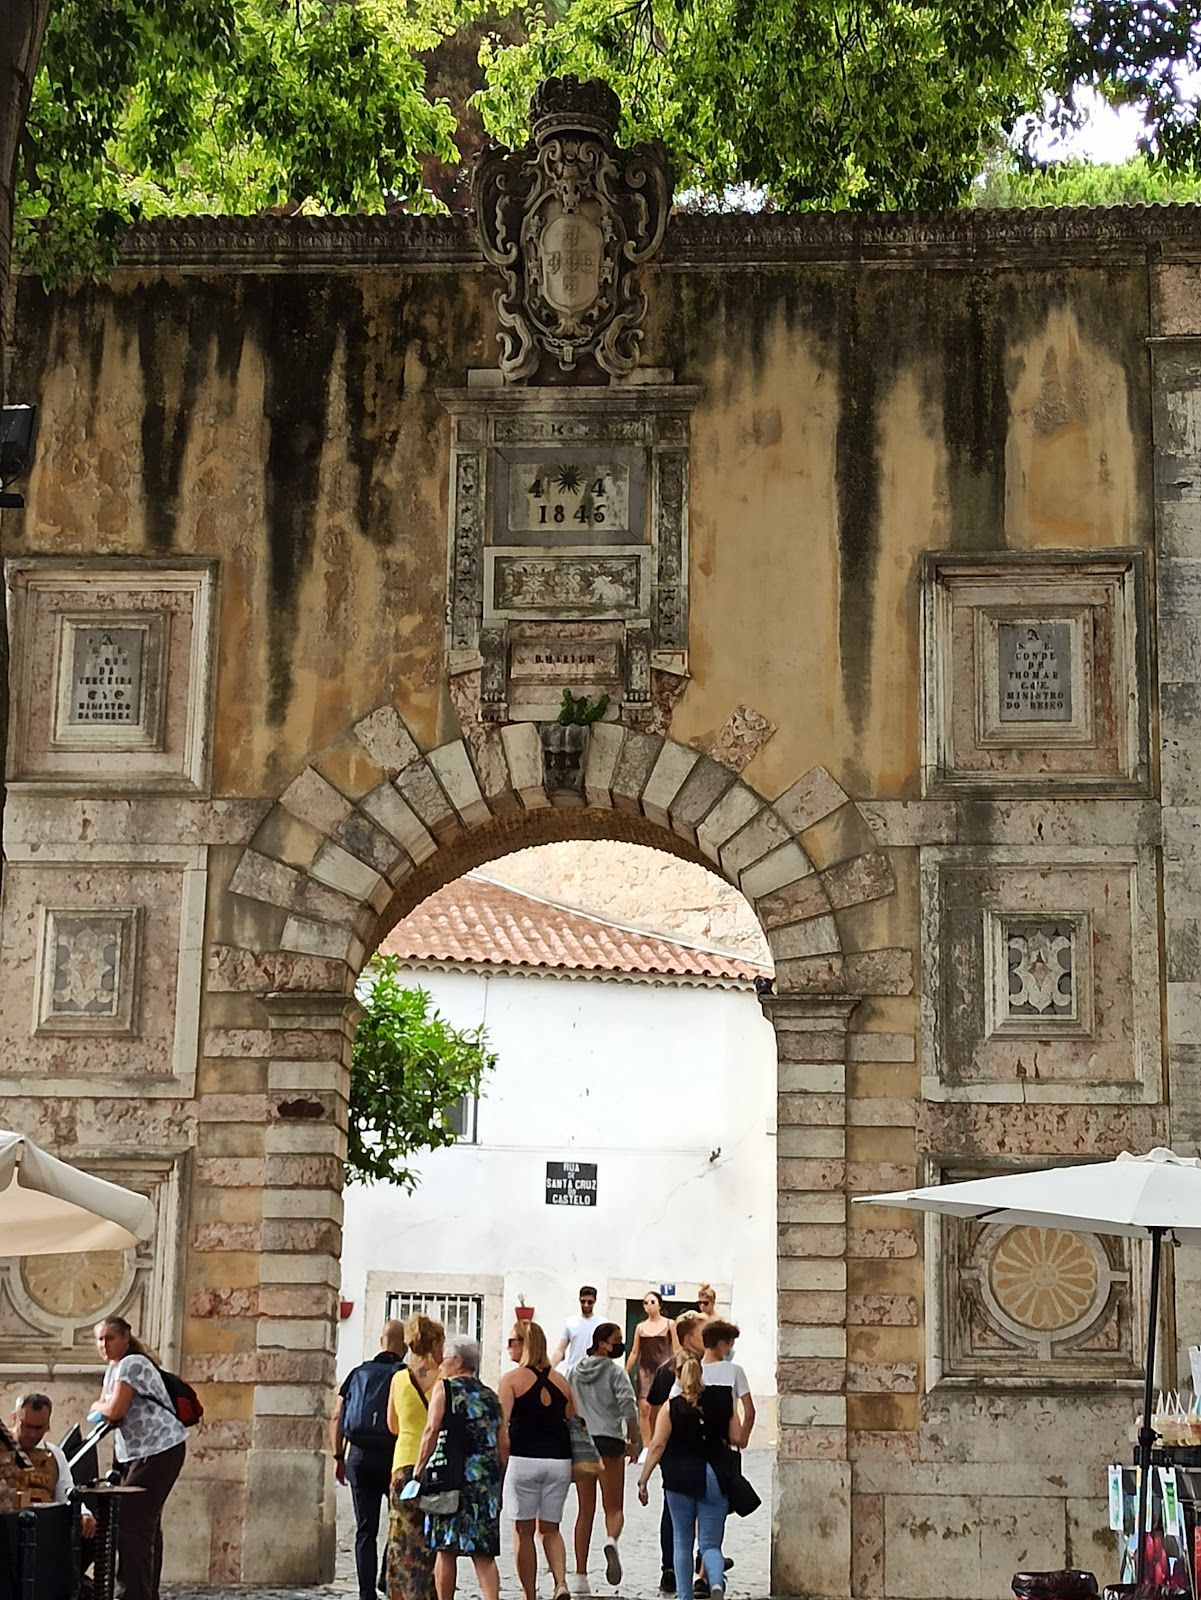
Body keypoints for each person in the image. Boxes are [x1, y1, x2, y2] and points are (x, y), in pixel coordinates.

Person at [92, 1316, 187, 1600]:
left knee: (131, 1521)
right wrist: (103, 1406)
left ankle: (132, 1594)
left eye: (109, 1338)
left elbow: (114, 1410)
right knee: (145, 1523)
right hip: (135, 1453)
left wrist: (101, 1406)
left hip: (158, 1448)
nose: (104, 1345)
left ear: (125, 1337)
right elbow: (105, 1410)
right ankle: (145, 1592)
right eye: (99, 1339)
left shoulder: (133, 1364)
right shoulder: (113, 1369)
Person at [636, 1353, 744, 1600]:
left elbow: (657, 1445)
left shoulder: (671, 1406)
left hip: (680, 1478)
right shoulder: (722, 1400)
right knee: (710, 1544)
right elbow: (737, 1437)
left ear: (679, 1376)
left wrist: (643, 1480)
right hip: (715, 1476)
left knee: (682, 1542)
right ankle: (715, 1582)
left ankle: (684, 1596)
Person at [413, 1336, 505, 1600]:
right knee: (483, 1552)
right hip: (485, 1479)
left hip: (451, 1476)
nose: (442, 1363)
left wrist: (420, 1469)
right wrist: (498, 1478)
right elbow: (503, 1444)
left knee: (446, 1547)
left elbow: (431, 1430)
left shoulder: (446, 1389)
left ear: (459, 1361)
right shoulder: (491, 1396)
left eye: (446, 1358)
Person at [333, 1320, 409, 1600]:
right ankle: (385, 1578)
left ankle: (366, 1593)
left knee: (365, 1528)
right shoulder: (406, 1375)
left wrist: (339, 1455)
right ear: (404, 1347)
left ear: (381, 1342)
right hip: (394, 1456)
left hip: (360, 1457)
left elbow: (337, 1416)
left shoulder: (357, 1373)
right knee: (396, 1522)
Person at [500, 1320, 575, 1600]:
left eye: (512, 1341)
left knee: (523, 1530)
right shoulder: (561, 1382)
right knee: (552, 1529)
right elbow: (574, 1421)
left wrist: (501, 1461)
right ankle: (560, 1583)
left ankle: (529, 1595)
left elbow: (502, 1426)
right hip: (559, 1463)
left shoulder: (511, 1380)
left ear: (524, 1344)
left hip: (524, 1460)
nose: (508, 1346)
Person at [568, 1323, 639, 1588]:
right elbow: (629, 1407)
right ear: (601, 1343)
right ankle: (611, 1540)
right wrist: (634, 1439)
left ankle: (580, 1575)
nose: (620, 1344)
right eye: (616, 1340)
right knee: (614, 1506)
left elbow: (569, 1405)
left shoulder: (574, 1372)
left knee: (584, 1510)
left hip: (584, 1443)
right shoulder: (616, 1373)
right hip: (611, 1442)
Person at [646, 1313, 709, 1595]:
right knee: (689, 1509)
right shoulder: (672, 1370)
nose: (705, 1339)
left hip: (675, 1451)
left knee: (675, 1509)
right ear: (687, 1338)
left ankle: (676, 1569)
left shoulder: (670, 1368)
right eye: (701, 1334)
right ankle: (684, 1569)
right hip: (685, 1448)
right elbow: (652, 1411)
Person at [385, 1314, 444, 1600]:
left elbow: (392, 1425)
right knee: (433, 1542)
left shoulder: (398, 1379)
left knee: (401, 1542)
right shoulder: (444, 1378)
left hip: (402, 1465)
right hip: (436, 1466)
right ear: (434, 1342)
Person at [10, 1394, 97, 1533]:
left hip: (43, 1529)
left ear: (48, 1426)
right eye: (27, 1426)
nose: (32, 1434)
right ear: (14, 1418)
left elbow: (66, 1492)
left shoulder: (54, 1454)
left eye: (38, 1428)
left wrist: (84, 1513)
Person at [625, 1292, 677, 1449]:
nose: (649, 1305)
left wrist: (679, 1367)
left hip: (664, 1370)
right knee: (644, 1408)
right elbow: (635, 1352)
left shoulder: (670, 1324)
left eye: (652, 1302)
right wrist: (625, 1371)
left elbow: (676, 1348)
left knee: (662, 1409)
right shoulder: (640, 1327)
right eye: (646, 1302)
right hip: (645, 1371)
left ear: (660, 1304)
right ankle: (647, 1447)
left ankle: (661, 1442)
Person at [550, 1287, 600, 1376]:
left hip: (594, 1374)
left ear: (595, 1301)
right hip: (573, 1373)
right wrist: (550, 1369)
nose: (586, 1305)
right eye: (583, 1301)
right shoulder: (570, 1323)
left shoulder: (602, 1323)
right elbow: (560, 1350)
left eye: (590, 1302)